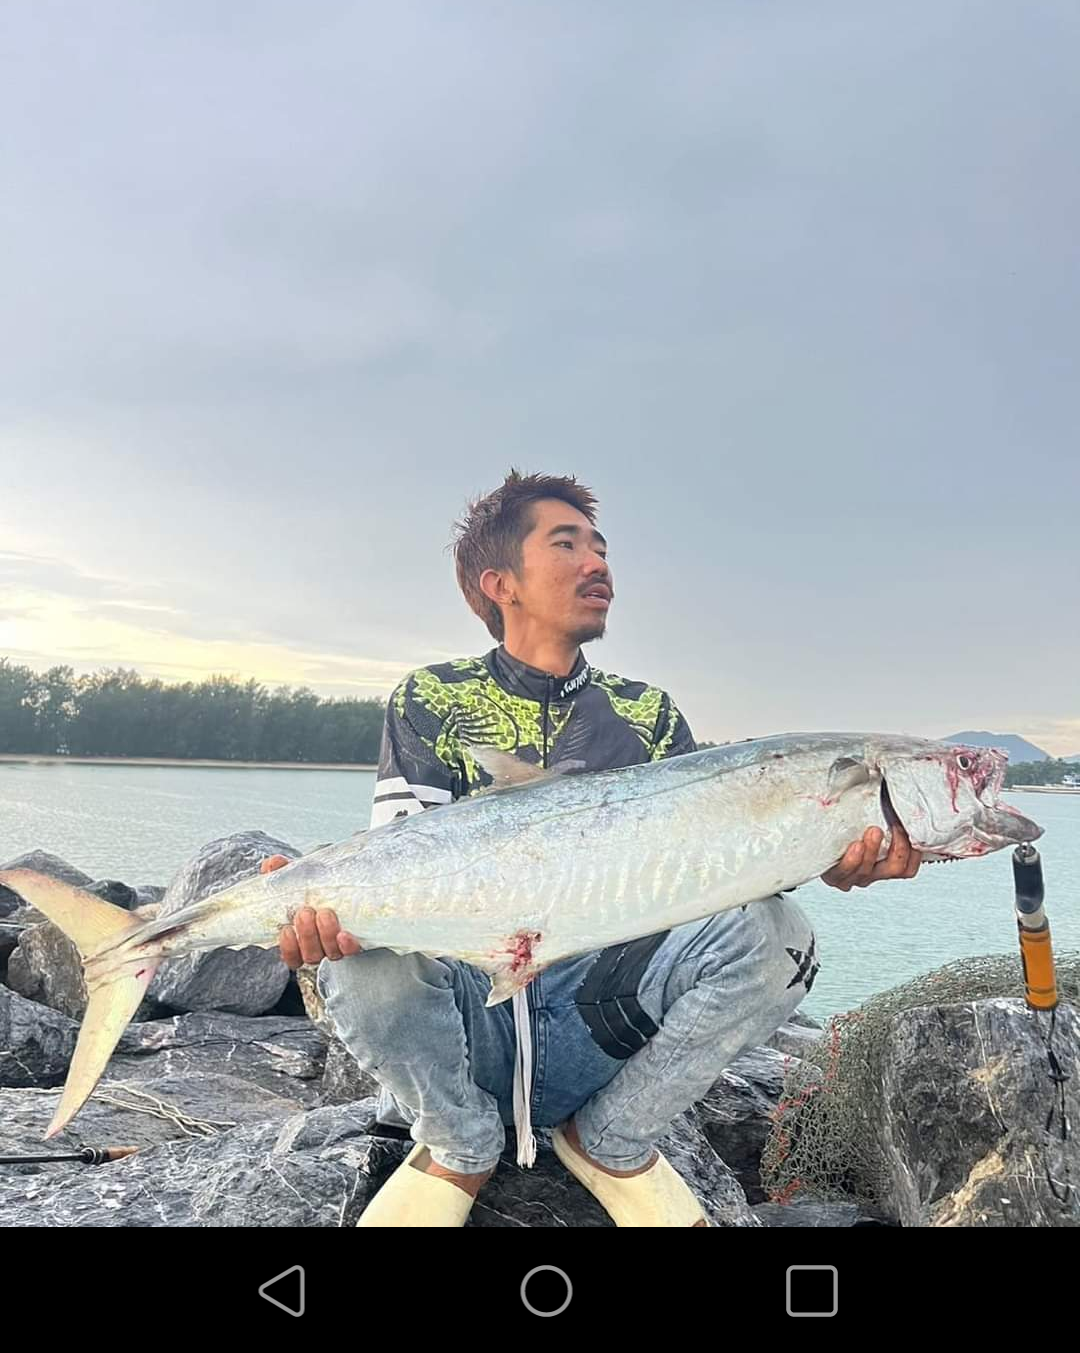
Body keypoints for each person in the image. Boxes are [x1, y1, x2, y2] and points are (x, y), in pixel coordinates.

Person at [262, 470, 918, 1227]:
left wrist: (823, 855)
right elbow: (397, 864)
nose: (596, 563)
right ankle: (456, 1140)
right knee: (362, 953)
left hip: (598, 1023)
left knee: (780, 937)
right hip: (469, 1029)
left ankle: (611, 1137)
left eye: (601, 548)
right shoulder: (432, 699)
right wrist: (317, 910)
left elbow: (713, 879)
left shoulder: (648, 716)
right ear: (500, 583)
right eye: (567, 544)